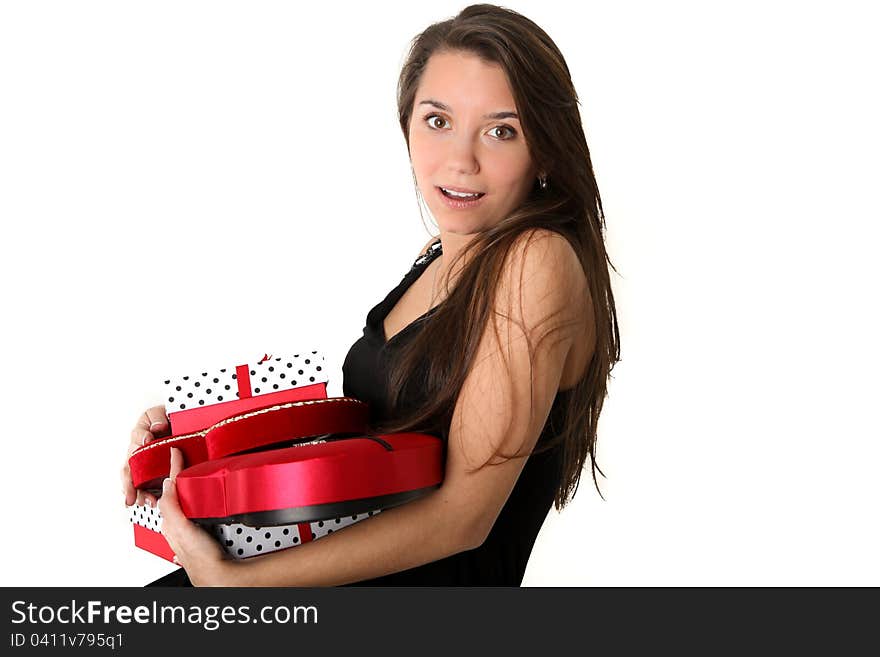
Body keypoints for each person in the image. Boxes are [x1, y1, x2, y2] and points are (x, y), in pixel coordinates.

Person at [122, 3, 620, 586]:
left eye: (500, 131)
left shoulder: (538, 260)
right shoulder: (439, 255)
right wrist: (198, 437)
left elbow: (463, 520)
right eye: (438, 120)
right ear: (407, 121)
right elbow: (361, 455)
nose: (460, 160)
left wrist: (237, 586)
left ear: (545, 150)